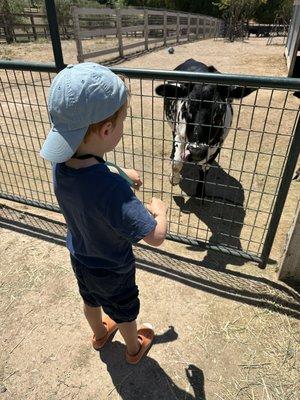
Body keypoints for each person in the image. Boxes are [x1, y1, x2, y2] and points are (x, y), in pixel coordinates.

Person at [40, 62, 168, 364]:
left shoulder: (62, 165)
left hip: (80, 256)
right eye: (121, 123)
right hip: (113, 267)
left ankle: (99, 334)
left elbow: (92, 167)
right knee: (124, 310)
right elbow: (155, 236)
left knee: (90, 299)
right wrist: (160, 212)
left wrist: (122, 172)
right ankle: (134, 348)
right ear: (108, 129)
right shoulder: (113, 191)